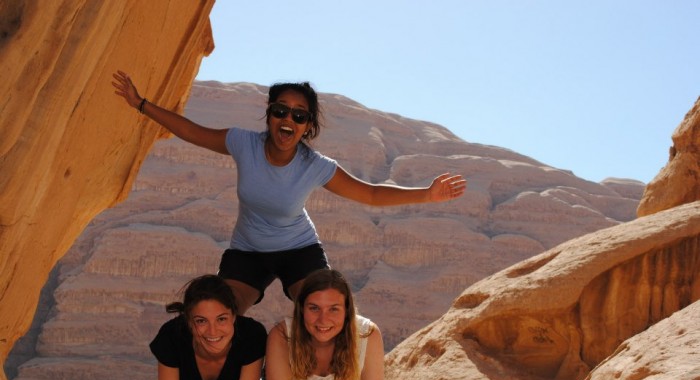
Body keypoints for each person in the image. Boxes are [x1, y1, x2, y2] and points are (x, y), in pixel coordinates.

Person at [112, 71, 467, 315]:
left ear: (308, 127)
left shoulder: (314, 165)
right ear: (268, 115)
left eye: (299, 115)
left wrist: (427, 194)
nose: (288, 119)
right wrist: (140, 103)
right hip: (248, 249)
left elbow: (371, 194)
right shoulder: (243, 143)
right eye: (280, 110)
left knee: (323, 308)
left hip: (298, 250)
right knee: (219, 310)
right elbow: (192, 131)